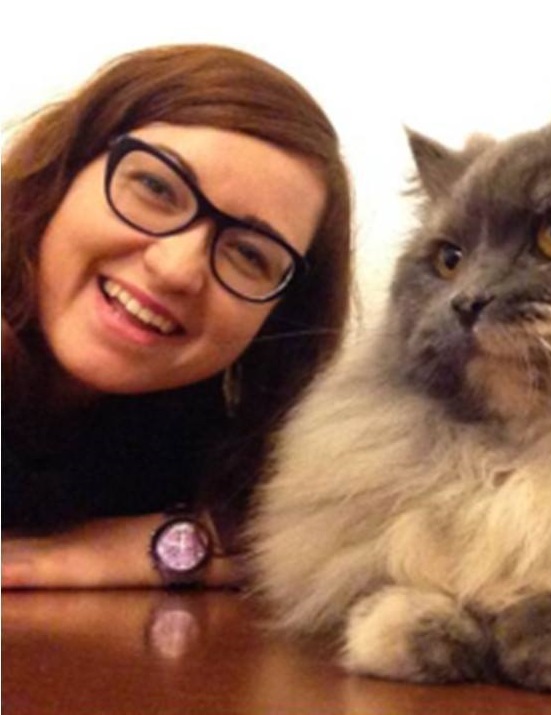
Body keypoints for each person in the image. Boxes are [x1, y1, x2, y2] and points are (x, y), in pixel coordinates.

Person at [1, 44, 353, 588]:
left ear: (277, 321)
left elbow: (329, 539)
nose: (176, 269)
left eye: (249, 254)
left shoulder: (195, 437)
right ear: (66, 172)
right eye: (156, 188)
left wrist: (103, 554)